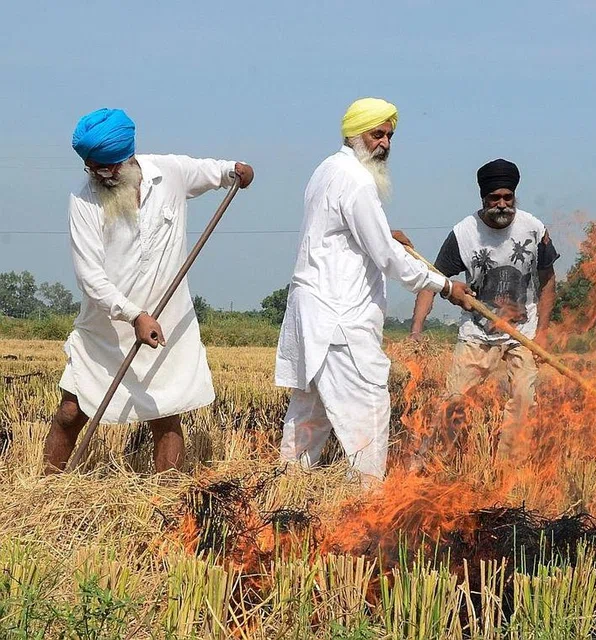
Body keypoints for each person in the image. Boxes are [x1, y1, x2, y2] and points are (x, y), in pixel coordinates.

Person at [274, 97, 473, 485]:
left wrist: (385, 232)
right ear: (355, 135)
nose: (385, 143)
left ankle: (284, 494)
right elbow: (386, 257)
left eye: (389, 136)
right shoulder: (357, 181)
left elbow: (357, 235)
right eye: (377, 134)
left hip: (313, 314)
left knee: (308, 416)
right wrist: (446, 285)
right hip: (339, 319)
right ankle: (367, 506)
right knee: (368, 409)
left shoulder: (327, 170)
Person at [44, 108, 254, 474]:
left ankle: (167, 504)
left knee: (165, 415)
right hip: (106, 329)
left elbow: (215, 171)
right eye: (93, 168)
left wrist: (236, 171)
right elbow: (90, 277)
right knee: (70, 412)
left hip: (165, 322)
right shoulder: (84, 200)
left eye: (107, 167)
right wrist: (134, 315)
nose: (101, 176)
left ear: (128, 156)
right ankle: (46, 492)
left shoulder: (169, 172)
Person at [409, 159, 559, 463]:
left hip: (522, 334)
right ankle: (430, 466)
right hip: (477, 335)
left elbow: (548, 281)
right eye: (495, 199)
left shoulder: (534, 229)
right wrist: (416, 329)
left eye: (508, 198)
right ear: (483, 199)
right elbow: (432, 282)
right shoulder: (464, 234)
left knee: (524, 399)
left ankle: (509, 472)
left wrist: (542, 332)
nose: (502, 205)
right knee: (454, 401)